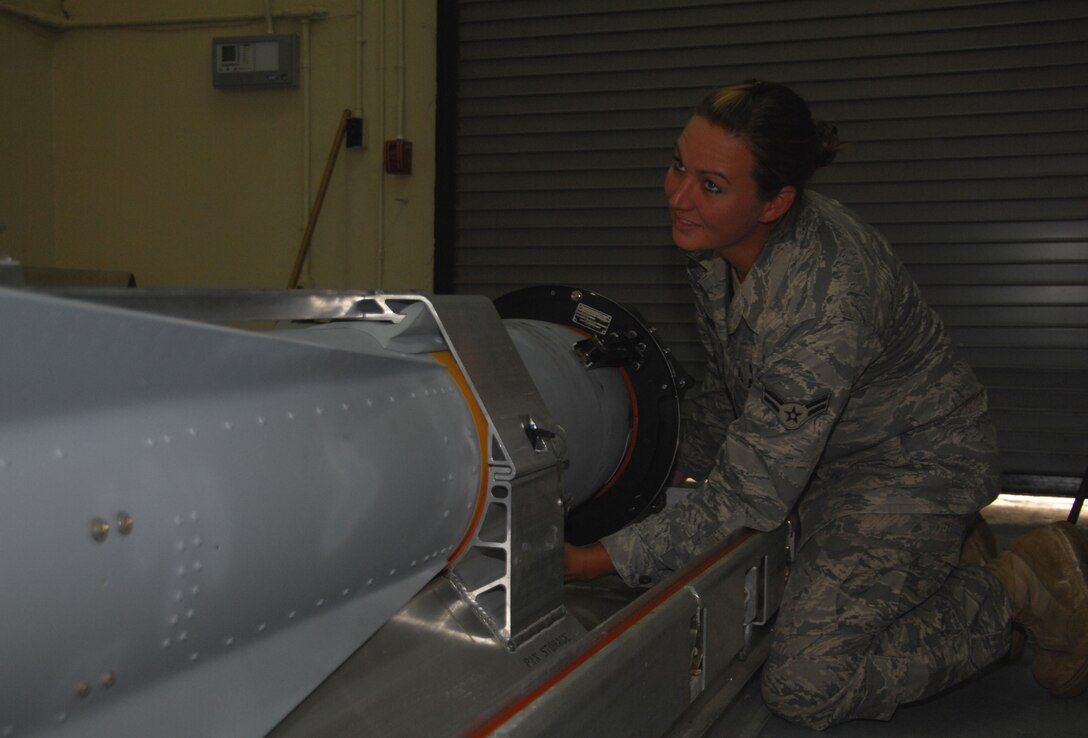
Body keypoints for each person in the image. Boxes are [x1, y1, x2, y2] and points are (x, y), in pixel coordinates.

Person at [564, 80, 1088, 729]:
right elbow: (739, 386)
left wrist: (594, 560)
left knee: (807, 680)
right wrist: (660, 459)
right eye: (678, 165)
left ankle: (1013, 589)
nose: (678, 196)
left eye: (711, 184)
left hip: (909, 470)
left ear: (775, 200)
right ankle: (942, 563)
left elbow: (747, 499)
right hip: (817, 455)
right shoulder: (720, 247)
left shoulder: (826, 302)